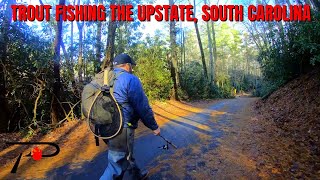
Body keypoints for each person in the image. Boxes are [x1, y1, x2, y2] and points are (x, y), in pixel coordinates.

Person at [100, 53, 161, 180]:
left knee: (124, 154)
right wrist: (154, 126)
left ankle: (137, 175)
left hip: (103, 126)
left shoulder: (105, 78)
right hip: (121, 127)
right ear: (127, 66)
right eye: (131, 65)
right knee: (115, 164)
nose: (132, 68)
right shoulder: (130, 79)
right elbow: (142, 107)